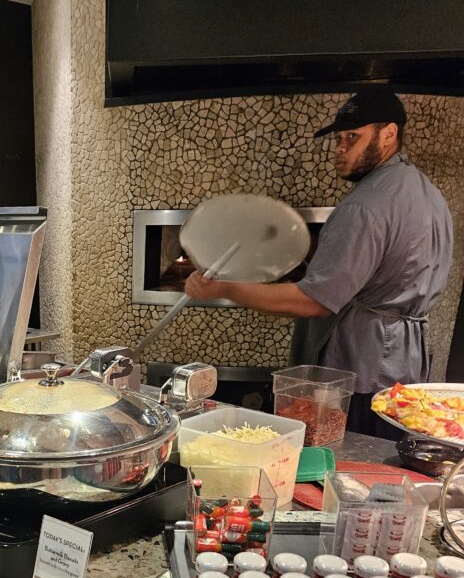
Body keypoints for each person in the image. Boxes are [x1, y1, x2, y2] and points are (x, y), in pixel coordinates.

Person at [184, 86, 453, 439]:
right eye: (338, 139)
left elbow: (313, 301)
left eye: (352, 138)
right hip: (407, 367)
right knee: (383, 465)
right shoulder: (430, 196)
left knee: (347, 461)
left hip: (361, 370)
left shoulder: (365, 205)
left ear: (389, 134)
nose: (340, 149)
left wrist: (224, 288)